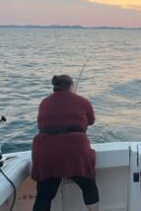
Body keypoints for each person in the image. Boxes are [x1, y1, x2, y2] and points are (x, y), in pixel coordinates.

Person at [31, 75, 99, 211]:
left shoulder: (44, 103)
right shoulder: (82, 102)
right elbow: (91, 121)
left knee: (44, 196)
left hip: (46, 153)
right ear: (71, 86)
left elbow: (42, 124)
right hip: (75, 152)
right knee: (89, 186)